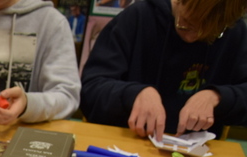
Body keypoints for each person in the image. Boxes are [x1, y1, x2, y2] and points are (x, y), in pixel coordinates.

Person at [80, 0, 247, 141]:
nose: (192, 37)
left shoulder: (234, 31)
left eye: (209, 32)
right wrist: (134, 94)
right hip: (127, 143)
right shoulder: (139, 17)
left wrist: (217, 97)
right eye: (186, 25)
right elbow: (90, 90)